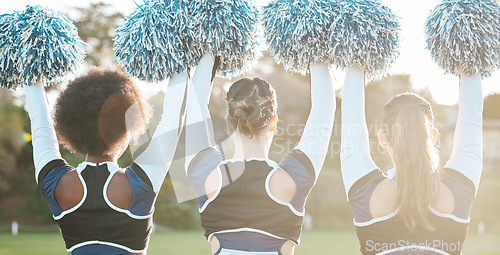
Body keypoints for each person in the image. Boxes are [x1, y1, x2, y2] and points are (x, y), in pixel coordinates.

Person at [183, 53, 335, 255]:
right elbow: (323, 111)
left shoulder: (206, 178)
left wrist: (210, 51)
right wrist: (314, 50)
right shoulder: (294, 178)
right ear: (273, 122)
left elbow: (195, 108)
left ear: (229, 122)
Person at [26, 68, 190, 254]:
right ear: (125, 129)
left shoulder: (54, 183)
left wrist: (31, 64)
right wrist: (179, 62)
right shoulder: (141, 183)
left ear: (73, 128)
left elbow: (40, 124)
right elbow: (173, 118)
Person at [340, 64, 483, 254]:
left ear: (382, 137)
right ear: (432, 135)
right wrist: (468, 53)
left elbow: (351, 117)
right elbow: (472, 117)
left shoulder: (365, 190)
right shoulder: (458, 188)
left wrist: (356, 56)